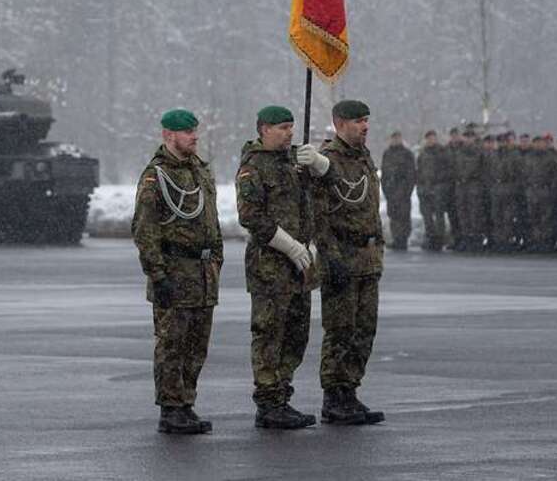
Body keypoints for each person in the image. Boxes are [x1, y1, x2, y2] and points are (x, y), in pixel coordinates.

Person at [131, 109, 222, 434]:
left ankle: (186, 403)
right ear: (168, 135)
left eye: (195, 131)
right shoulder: (156, 176)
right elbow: (145, 230)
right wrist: (158, 276)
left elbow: (211, 223)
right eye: (187, 132)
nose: (194, 137)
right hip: (173, 271)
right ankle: (170, 409)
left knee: (197, 345)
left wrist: (216, 264)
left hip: (201, 273)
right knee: (172, 345)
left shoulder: (199, 171)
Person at [234, 105, 318, 430]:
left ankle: (283, 395)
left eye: (291, 127)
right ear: (264, 129)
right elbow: (251, 215)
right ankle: (268, 402)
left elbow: (312, 201)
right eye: (282, 127)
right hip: (270, 265)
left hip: (300, 265)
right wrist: (288, 244)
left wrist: (320, 166)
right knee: (270, 334)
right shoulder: (253, 166)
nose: (289, 133)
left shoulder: (294, 162)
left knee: (297, 334)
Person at [311, 100, 385, 425]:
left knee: (364, 329)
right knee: (340, 330)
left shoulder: (364, 157)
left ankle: (350, 390)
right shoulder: (327, 161)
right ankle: (334, 396)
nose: (365, 126)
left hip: (367, 257)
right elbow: (318, 213)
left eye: (367, 120)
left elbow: (369, 207)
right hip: (342, 255)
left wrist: (378, 247)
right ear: (340, 123)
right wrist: (330, 256)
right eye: (358, 121)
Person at [379, 131, 415, 251]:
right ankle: (396, 238)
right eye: (393, 138)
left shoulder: (407, 154)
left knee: (404, 216)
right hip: (391, 190)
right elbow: (384, 174)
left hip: (403, 191)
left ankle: (403, 239)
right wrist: (385, 189)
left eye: (397, 138)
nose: (395, 140)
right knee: (393, 216)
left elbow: (411, 174)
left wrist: (407, 191)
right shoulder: (387, 154)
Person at [415, 130, 450, 251]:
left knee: (439, 216)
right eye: (429, 138)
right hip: (425, 188)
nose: (431, 140)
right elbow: (419, 170)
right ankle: (430, 238)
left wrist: (439, 182)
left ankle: (439, 240)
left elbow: (447, 169)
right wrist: (420, 185)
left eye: (433, 138)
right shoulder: (423, 153)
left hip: (438, 187)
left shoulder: (442, 151)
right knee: (427, 216)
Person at [523, 136, 557, 252]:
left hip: (545, 191)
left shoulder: (550, 157)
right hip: (532, 191)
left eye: (540, 143)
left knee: (546, 219)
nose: (538, 145)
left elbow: (556, 174)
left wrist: (550, 188)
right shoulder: (529, 157)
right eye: (536, 143)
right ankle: (536, 241)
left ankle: (546, 242)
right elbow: (524, 173)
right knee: (533, 218)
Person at [451, 130, 485, 252]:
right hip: (461, 186)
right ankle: (466, 238)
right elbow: (454, 167)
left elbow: (482, 168)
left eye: (470, 137)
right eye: (466, 137)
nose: (468, 140)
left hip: (474, 185)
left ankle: (476, 239)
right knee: (462, 213)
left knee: (475, 213)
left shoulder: (479, 151)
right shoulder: (458, 152)